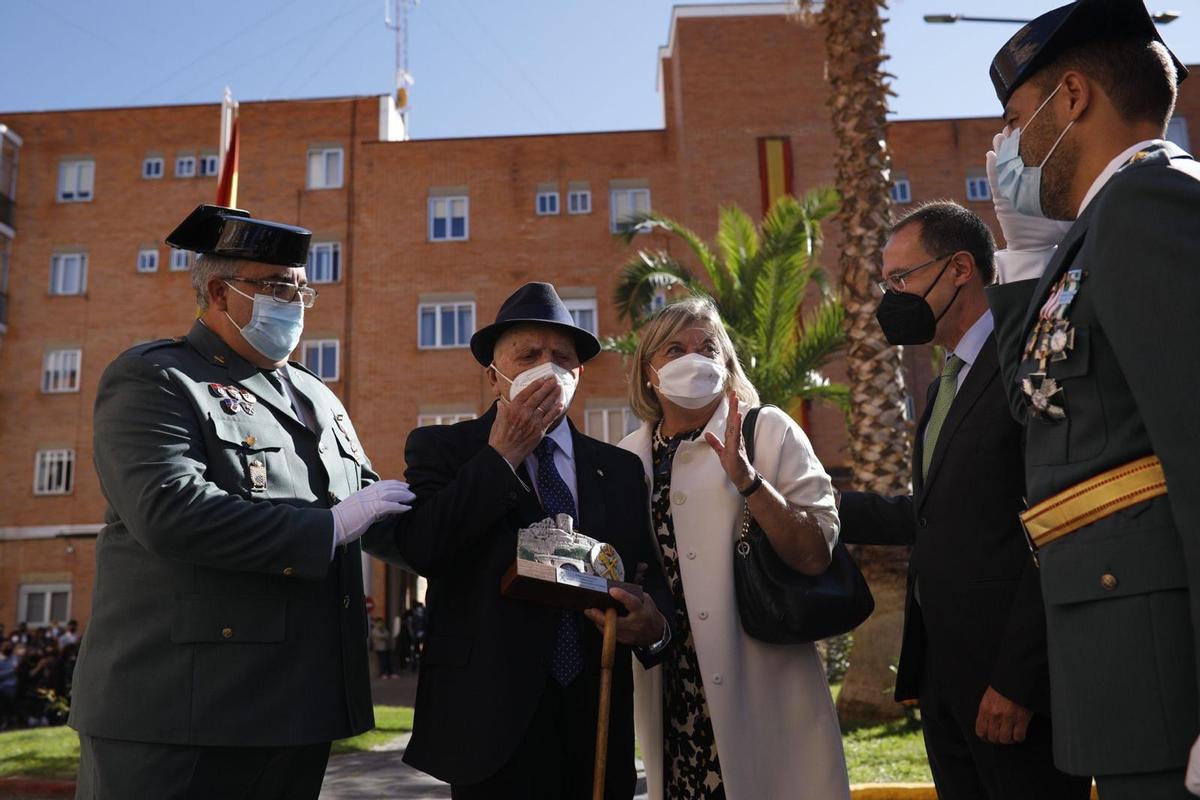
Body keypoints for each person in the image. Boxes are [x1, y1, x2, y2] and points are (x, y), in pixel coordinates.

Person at [68, 204, 415, 800]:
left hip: (295, 707)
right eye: (278, 287)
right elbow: (170, 510)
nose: (295, 303)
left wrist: (498, 483)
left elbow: (378, 508)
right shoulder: (159, 378)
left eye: (304, 289)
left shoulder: (315, 395)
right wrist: (326, 528)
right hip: (180, 711)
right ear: (219, 294)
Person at [982, 2, 1200, 797]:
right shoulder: (1102, 227)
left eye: (1015, 119)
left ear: (1071, 97)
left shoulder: (1150, 204)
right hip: (1121, 662)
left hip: (1163, 667)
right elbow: (1030, 403)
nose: (1008, 146)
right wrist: (1027, 253)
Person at [839, 201, 1090, 799]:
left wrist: (1019, 681)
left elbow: (1059, 524)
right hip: (947, 688)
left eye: (901, 279)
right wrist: (814, 501)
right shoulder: (946, 382)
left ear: (959, 269)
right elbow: (935, 517)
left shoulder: (1027, 364)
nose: (889, 297)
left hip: (1011, 691)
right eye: (885, 283)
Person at [386, 282, 674, 798]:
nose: (548, 366)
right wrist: (502, 457)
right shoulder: (442, 449)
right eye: (528, 355)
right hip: (490, 725)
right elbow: (425, 547)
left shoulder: (620, 469)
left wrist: (653, 626)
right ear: (493, 373)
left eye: (561, 358)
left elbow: (650, 578)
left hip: (595, 718)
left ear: (579, 375)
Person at [619, 297, 848, 800]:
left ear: (726, 363)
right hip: (673, 694)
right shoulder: (626, 459)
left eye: (708, 347)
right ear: (650, 373)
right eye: (675, 349)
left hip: (763, 686)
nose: (693, 359)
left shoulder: (768, 430)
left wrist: (748, 480)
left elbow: (816, 553)